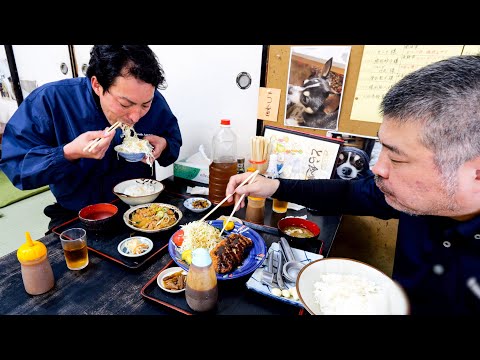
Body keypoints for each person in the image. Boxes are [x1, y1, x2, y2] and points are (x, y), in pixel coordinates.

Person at [227, 55, 480, 315]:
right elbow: (349, 192)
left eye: (396, 157)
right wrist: (273, 186)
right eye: (381, 148)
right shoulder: (412, 195)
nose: (377, 168)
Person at [0, 45, 182, 229]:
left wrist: (165, 145)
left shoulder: (150, 98)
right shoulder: (50, 100)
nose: (135, 116)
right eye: (125, 104)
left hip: (140, 208)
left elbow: (172, 141)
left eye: (145, 106)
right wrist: (67, 153)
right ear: (97, 85)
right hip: (77, 214)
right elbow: (17, 167)